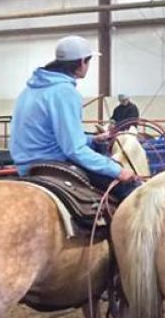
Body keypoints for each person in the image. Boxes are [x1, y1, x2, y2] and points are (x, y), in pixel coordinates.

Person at [9, 35, 138, 199]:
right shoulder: (65, 92)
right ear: (82, 62)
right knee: (131, 189)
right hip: (53, 164)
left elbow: (52, 136)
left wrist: (92, 140)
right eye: (89, 62)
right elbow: (74, 150)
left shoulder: (28, 91)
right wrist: (118, 171)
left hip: (25, 166)